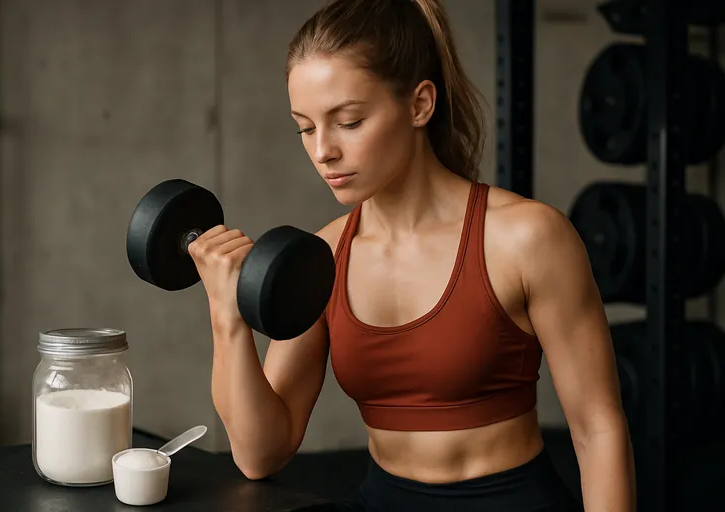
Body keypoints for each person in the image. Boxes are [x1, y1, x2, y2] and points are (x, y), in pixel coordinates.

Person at [187, 0, 636, 510]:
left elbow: (597, 429)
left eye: (349, 121)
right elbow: (260, 453)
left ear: (420, 104)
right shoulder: (324, 256)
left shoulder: (527, 238)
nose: (322, 151)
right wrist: (228, 316)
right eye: (306, 128)